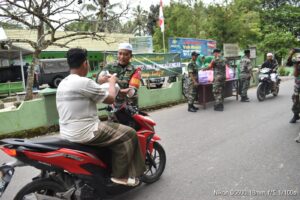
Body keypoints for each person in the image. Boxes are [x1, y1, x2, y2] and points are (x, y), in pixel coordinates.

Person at [56, 48, 145, 186]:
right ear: (85, 63)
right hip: (87, 130)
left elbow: (95, 90)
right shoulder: (84, 81)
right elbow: (109, 98)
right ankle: (120, 176)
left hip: (67, 132)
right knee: (130, 134)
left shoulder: (63, 83)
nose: (122, 56)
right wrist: (111, 82)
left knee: (114, 132)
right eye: (120, 53)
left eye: (125, 54)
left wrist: (116, 88)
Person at [287, 49, 300, 123]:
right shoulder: (296, 63)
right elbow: (288, 62)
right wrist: (291, 54)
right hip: (297, 85)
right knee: (295, 99)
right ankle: (296, 115)